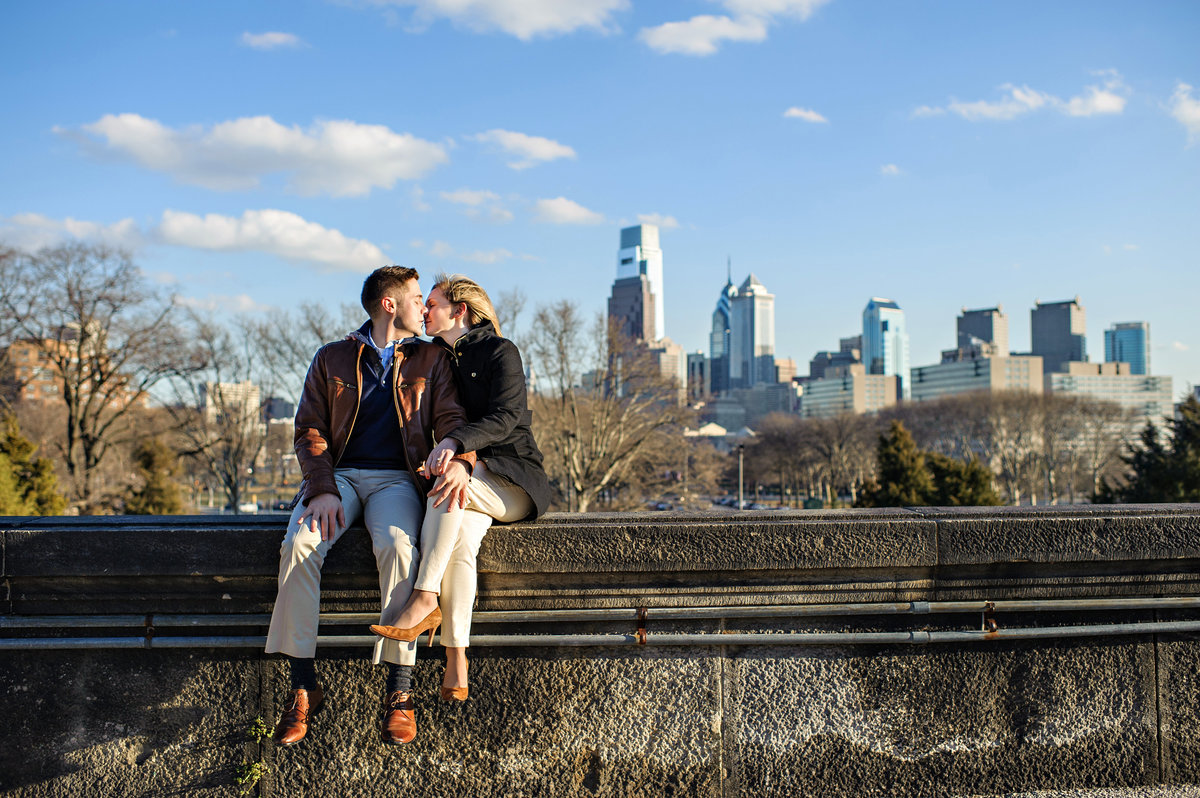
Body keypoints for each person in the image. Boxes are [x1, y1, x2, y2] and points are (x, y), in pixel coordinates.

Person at [265, 266, 476, 747]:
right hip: (337, 478)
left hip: (398, 481)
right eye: (417, 297)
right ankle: (302, 686)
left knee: (401, 550)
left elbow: (453, 420)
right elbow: (309, 429)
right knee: (298, 543)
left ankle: (400, 692)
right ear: (389, 304)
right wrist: (320, 487)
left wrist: (460, 459)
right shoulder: (332, 358)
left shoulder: (431, 359)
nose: (424, 306)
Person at [369, 274, 552, 700]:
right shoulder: (435, 356)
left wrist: (455, 445)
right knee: (461, 546)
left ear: (459, 311)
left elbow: (507, 417)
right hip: (473, 475)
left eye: (431, 304)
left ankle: (423, 596)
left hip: (513, 479)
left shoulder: (500, 352)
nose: (425, 312)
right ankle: (457, 660)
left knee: (446, 487)